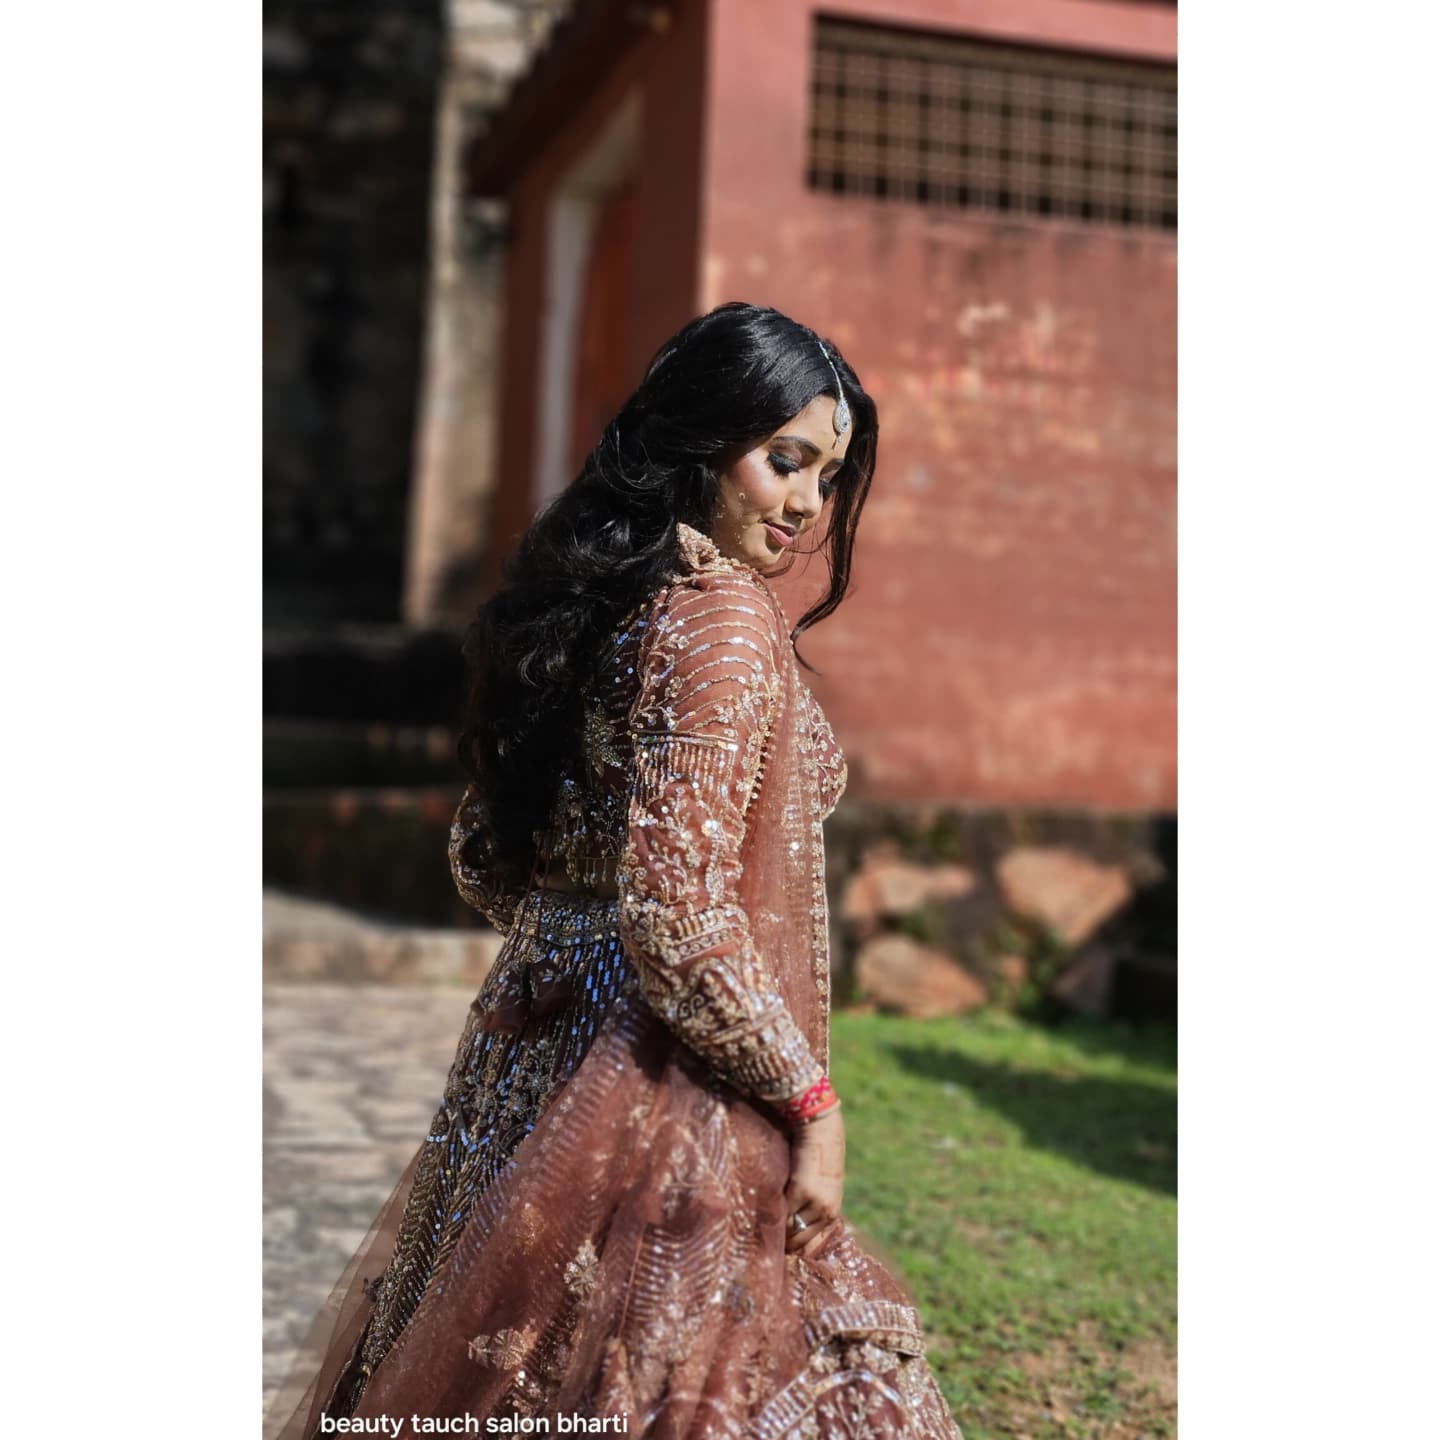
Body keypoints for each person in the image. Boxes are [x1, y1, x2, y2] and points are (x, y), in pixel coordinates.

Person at [266, 302, 964, 1440]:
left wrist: (571, 947)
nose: (805, 507)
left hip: (529, 1055)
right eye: (784, 460)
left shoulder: (609, 608)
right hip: (649, 1077)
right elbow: (678, 914)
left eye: (827, 478)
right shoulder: (723, 625)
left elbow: (491, 864)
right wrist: (811, 1103)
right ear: (699, 441)